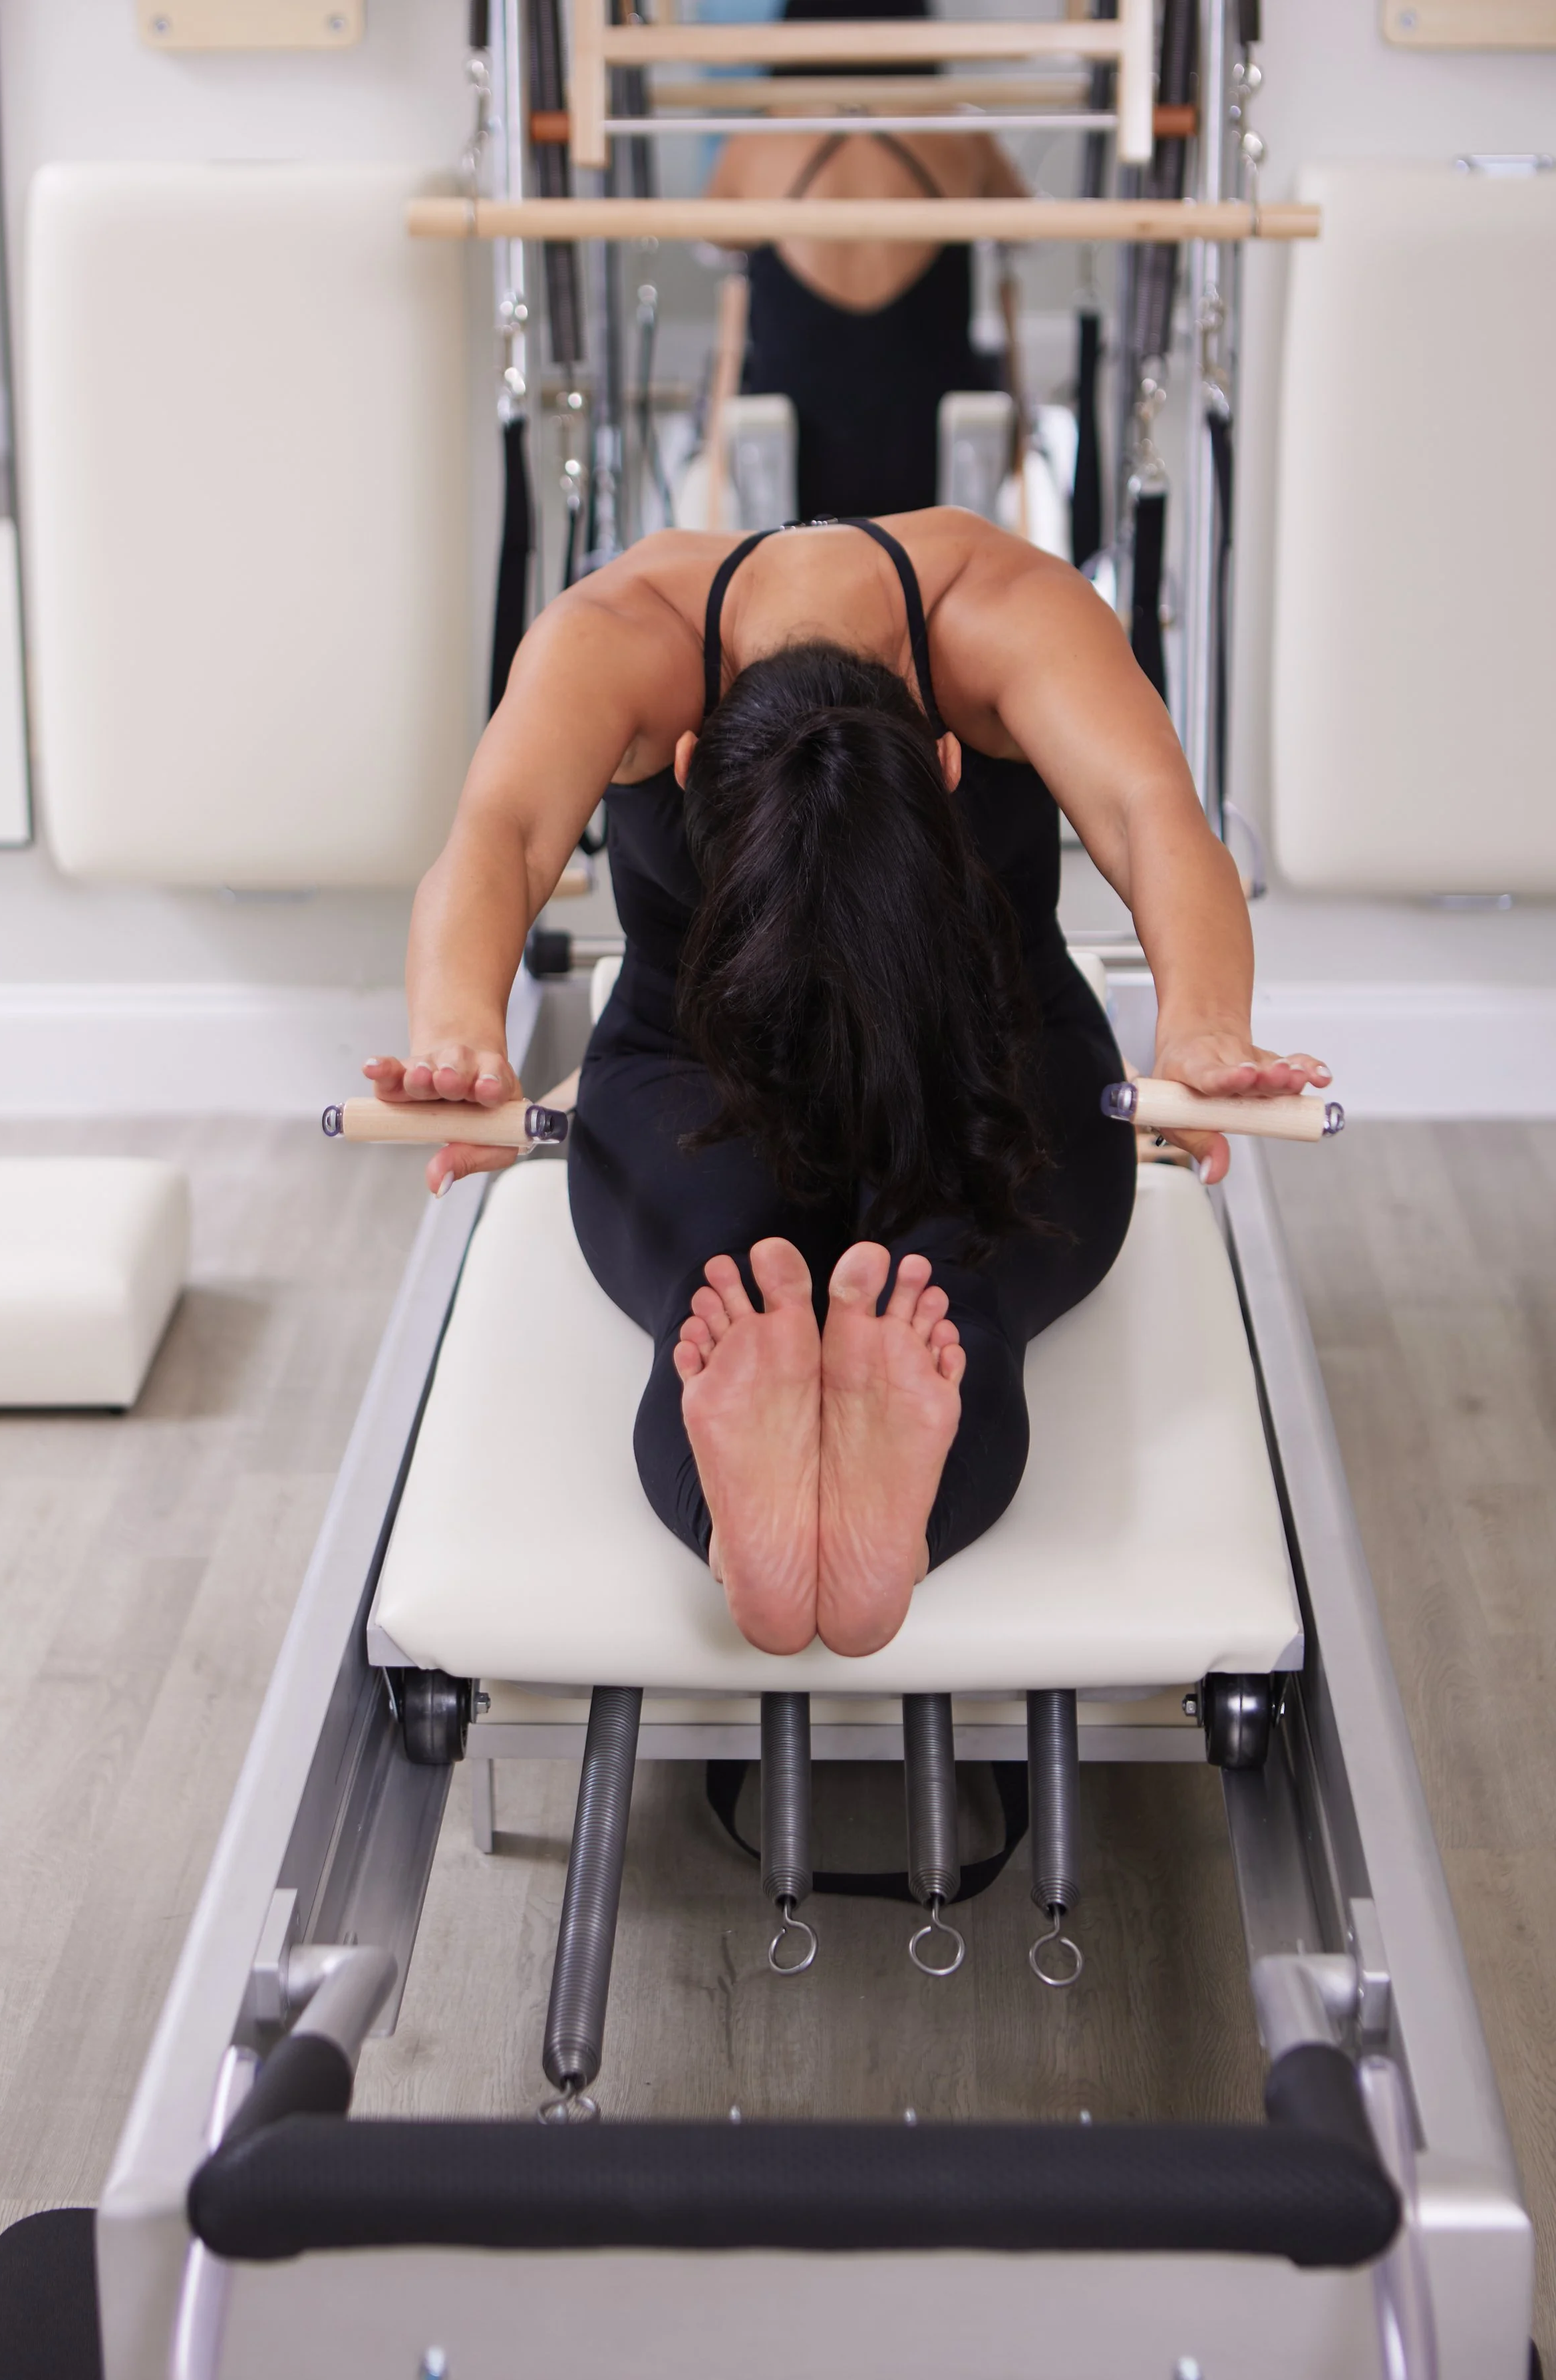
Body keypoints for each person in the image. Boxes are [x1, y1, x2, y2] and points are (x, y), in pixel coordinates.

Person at [368, 512, 1329, 1664]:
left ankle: (846, 1521)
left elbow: (1148, 813)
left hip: (982, 1039)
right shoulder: (620, 639)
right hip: (704, 1047)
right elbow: (504, 834)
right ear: (689, 764)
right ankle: (786, 1523)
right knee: (768, 1305)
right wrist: (460, 1031)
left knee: (886, 1301)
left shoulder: (1005, 618)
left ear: (944, 767)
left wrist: (1207, 1026)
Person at [705, 0, 1026, 520]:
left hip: (797, 468)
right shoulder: (959, 131)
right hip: (928, 463)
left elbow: (712, 241)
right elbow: (1029, 229)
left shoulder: (758, 139)